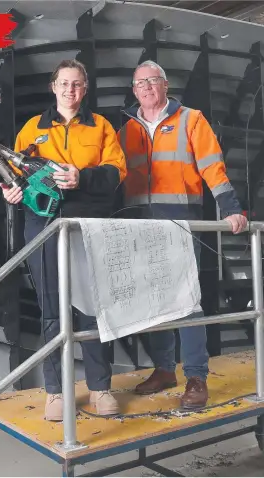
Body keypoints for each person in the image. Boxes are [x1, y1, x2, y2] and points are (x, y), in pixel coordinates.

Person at [117, 60, 248, 409]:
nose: (146, 87)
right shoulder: (127, 128)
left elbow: (212, 166)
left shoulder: (191, 118)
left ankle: (195, 377)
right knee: (153, 300)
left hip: (181, 221)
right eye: (139, 83)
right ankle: (164, 369)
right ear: (134, 91)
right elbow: (115, 174)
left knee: (187, 303)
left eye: (152, 81)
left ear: (165, 85)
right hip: (140, 223)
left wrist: (231, 208)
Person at [1, 59, 127, 421]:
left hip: (88, 223)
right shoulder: (33, 128)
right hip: (42, 224)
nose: (70, 90)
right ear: (53, 87)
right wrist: (11, 191)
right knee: (51, 308)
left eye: (77, 85)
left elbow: (117, 171)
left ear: (85, 89)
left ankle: (101, 388)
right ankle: (55, 393)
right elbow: (15, 173)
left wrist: (82, 179)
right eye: (64, 84)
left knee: (90, 307)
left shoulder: (101, 127)